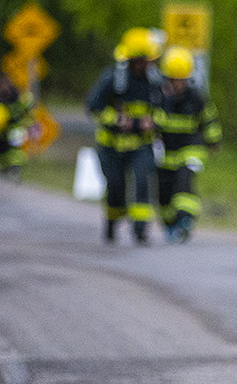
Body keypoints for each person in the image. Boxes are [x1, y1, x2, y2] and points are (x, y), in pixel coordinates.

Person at [85, 27, 162, 245]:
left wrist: (154, 121)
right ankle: (112, 222)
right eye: (143, 61)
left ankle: (140, 230)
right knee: (116, 187)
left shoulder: (155, 82)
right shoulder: (112, 79)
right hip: (112, 146)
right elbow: (93, 106)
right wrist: (116, 120)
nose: (147, 65)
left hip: (141, 145)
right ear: (132, 60)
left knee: (143, 181)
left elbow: (165, 109)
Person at [153, 46, 222, 243]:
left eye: (182, 80)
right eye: (174, 80)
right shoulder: (158, 97)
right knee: (164, 191)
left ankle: (185, 219)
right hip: (166, 151)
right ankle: (170, 223)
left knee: (184, 182)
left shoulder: (196, 97)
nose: (178, 84)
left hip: (191, 148)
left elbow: (209, 120)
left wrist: (214, 140)